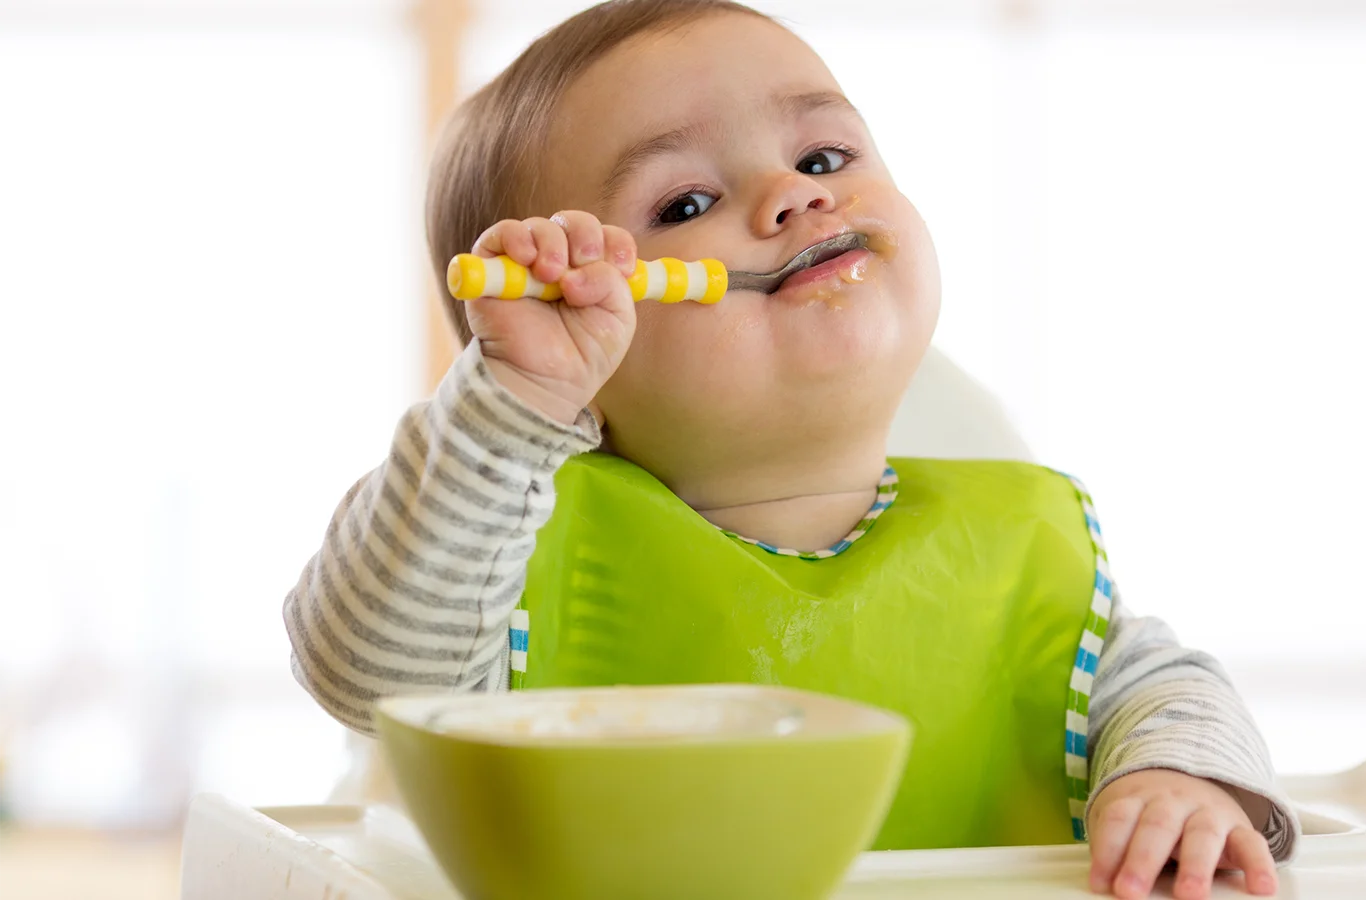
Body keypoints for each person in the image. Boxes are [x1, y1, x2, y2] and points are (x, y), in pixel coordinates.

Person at [284, 2, 1300, 897]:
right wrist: (513, 401)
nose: (792, 194)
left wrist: (1177, 785)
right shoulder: (511, 576)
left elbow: (1175, 695)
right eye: (684, 204)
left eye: (824, 158)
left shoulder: (1022, 557)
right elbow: (369, 678)